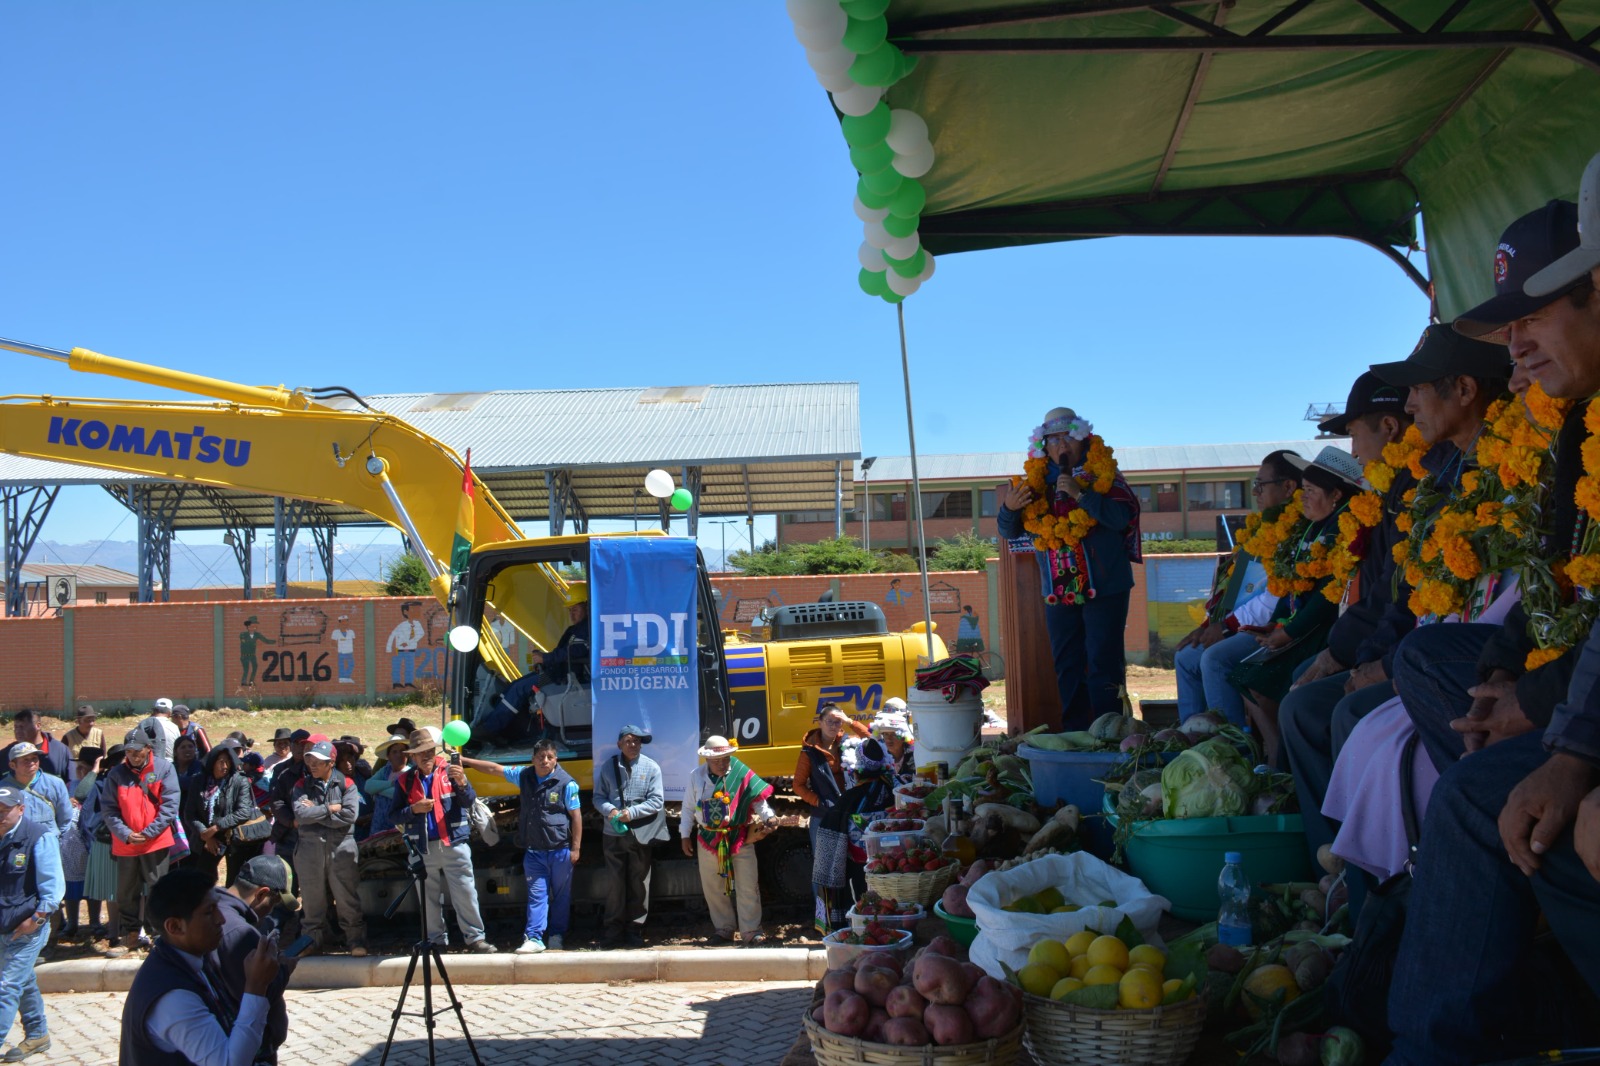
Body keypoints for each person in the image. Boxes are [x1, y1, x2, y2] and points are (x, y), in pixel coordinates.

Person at [1383, 196, 1600, 1062]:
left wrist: (1559, 739)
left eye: (1534, 313)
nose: (1513, 344)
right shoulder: (1574, 422)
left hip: (1582, 692)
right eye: (1506, 323)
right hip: (1568, 677)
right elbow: (1546, 575)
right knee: (1431, 669)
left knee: (1480, 799)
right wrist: (1512, 680)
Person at [1282, 330, 1508, 867]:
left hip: (1461, 660)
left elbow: (1407, 596)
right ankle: (1344, 871)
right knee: (1299, 698)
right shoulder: (1434, 477)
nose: (1409, 406)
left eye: (1419, 389)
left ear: (1466, 389)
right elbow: (1400, 588)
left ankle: (1372, 879)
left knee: (1338, 712)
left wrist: (1374, 661)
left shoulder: (1499, 469)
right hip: (1418, 648)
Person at [996, 407, 1143, 728]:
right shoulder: (1034, 486)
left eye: (1067, 437)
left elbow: (1120, 519)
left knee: (1103, 663)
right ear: (1043, 446)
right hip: (1058, 590)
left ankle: (1110, 731)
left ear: (1082, 440)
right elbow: (1009, 531)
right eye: (1053, 439)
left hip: (1105, 587)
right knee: (1067, 665)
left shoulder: (1104, 477)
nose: (1061, 445)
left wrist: (1081, 494)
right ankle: (1076, 734)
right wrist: (1009, 508)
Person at [1229, 446, 1366, 763]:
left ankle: (1283, 762)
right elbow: (1290, 585)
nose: (1302, 498)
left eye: (1310, 491)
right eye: (1302, 490)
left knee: (1260, 681)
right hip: (1295, 626)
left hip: (1319, 631)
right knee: (1245, 677)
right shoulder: (1312, 525)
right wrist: (1274, 625)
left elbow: (1326, 598)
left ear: (1335, 495)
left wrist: (1288, 633)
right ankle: (1279, 758)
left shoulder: (1343, 528)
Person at [1174, 451, 1301, 725]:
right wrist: (1211, 624)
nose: (1255, 492)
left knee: (1214, 659)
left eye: (1260, 485)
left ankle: (1230, 747)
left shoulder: (1295, 530)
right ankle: (1194, 738)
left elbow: (1273, 599)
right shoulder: (1263, 528)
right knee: (1186, 657)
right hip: (1244, 624)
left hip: (1275, 628)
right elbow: (1241, 588)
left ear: (1289, 487)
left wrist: (1227, 626)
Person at [119, 867, 280, 1066]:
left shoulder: (188, 958)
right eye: (209, 912)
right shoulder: (173, 997)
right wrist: (256, 987)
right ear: (175, 927)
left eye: (218, 908)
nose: (221, 919)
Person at [460, 741, 581, 954]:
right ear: (533, 759)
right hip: (534, 852)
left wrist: (576, 849)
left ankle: (556, 935)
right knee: (537, 895)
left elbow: (576, 816)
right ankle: (534, 937)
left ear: (556, 759)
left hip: (560, 851)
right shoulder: (523, 776)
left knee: (561, 896)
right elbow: (493, 769)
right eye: (540, 757)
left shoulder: (567, 784)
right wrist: (464, 760)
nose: (545, 761)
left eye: (549, 757)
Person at [389, 729, 494, 953]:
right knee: (428, 898)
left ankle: (475, 938)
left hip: (454, 843)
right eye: (420, 752)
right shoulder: (404, 781)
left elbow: (469, 802)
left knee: (465, 892)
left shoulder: (451, 772)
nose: (426, 755)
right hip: (422, 848)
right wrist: (414, 809)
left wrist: (463, 783)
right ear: (413, 757)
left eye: (429, 750)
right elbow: (394, 815)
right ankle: (435, 940)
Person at [680, 735, 776, 946]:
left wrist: (769, 817)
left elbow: (759, 801)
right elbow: (687, 808)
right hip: (708, 837)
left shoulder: (742, 773)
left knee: (748, 883)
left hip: (739, 836)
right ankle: (724, 929)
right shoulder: (696, 777)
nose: (722, 764)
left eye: (725, 759)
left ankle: (751, 930)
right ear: (707, 760)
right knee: (713, 885)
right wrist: (684, 835)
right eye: (717, 761)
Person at [207, 855, 298, 1065]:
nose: (272, 910)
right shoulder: (240, 933)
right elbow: (255, 994)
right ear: (262, 893)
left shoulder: (216, 911)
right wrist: (283, 969)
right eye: (274, 902)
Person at [103, 729, 180, 958]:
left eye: (138, 751)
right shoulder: (116, 774)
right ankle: (131, 935)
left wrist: (149, 832)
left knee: (159, 889)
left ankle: (160, 936)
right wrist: (125, 833)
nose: (134, 755)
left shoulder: (164, 769)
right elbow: (109, 809)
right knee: (126, 892)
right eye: (129, 751)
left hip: (155, 842)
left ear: (148, 748)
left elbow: (170, 805)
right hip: (125, 844)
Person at [0, 787, 62, 1062]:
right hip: (3, 925)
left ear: (21, 809)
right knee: (23, 980)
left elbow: (53, 888)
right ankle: (38, 1034)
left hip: (28, 927)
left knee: (6, 986)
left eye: (5, 809)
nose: (0, 814)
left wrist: (35, 920)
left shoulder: (39, 836)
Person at [592, 724, 666, 949]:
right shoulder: (608, 767)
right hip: (612, 834)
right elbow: (598, 797)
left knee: (639, 883)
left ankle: (635, 930)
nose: (633, 745)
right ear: (619, 744)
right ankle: (613, 932)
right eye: (629, 741)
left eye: (637, 741)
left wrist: (631, 813)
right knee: (615, 885)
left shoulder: (651, 767)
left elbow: (657, 801)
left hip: (640, 835)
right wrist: (610, 811)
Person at [289, 740, 365, 956]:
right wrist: (330, 808)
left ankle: (355, 940)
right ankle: (311, 942)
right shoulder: (301, 786)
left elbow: (350, 815)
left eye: (318, 762)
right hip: (309, 850)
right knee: (312, 902)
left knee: (347, 898)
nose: (313, 765)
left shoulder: (347, 784)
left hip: (341, 848)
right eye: (310, 760)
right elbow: (301, 815)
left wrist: (317, 813)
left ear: (331, 762)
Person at [813, 738, 897, 933]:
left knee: (863, 899)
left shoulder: (852, 797)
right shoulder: (892, 789)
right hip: (892, 861)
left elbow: (830, 823)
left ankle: (864, 931)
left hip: (860, 865)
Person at [187, 743, 264, 888]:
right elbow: (190, 813)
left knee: (234, 883)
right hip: (207, 837)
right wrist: (206, 834)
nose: (225, 765)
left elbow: (243, 812)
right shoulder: (199, 781)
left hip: (235, 836)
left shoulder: (239, 780)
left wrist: (217, 827)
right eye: (221, 761)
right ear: (212, 762)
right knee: (202, 880)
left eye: (228, 761)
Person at [80, 744, 124, 948]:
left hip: (134, 841)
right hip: (106, 842)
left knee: (136, 888)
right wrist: (95, 771)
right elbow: (81, 796)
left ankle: (131, 928)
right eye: (123, 760)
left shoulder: (137, 782)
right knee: (112, 890)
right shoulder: (100, 783)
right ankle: (114, 930)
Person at [59, 746, 101, 941]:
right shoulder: (69, 785)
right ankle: (72, 922)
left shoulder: (98, 784)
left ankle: (95, 922)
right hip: (70, 842)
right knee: (70, 884)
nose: (79, 770)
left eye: (83, 767)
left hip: (90, 839)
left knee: (92, 883)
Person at [0, 743, 71, 838]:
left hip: (49, 845)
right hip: (15, 847)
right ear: (12, 765)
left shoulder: (55, 784)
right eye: (25, 759)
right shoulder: (3, 788)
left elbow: (65, 821)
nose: (32, 762)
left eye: (34, 758)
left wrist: (60, 844)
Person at [526, 586, 590, 687]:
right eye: (570, 610)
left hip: (568, 681)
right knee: (517, 686)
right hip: (558, 675)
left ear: (587, 607)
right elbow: (561, 650)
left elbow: (575, 650)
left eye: (575, 610)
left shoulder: (589, 629)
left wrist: (546, 658)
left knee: (518, 689)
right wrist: (545, 661)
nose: (571, 615)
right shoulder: (572, 630)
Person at [362, 734, 409, 839]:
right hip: (379, 824)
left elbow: (399, 795)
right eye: (394, 752)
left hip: (399, 827)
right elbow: (368, 786)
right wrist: (391, 784)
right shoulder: (385, 771)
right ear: (388, 756)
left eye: (402, 751)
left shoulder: (410, 773)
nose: (399, 755)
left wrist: (378, 789)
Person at [0, 712, 70, 781]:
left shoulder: (60, 751)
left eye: (22, 727)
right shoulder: (5, 754)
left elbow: (72, 782)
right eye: (16, 727)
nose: (17, 731)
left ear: (38, 726)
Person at [59, 706, 105, 786]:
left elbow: (103, 756)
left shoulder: (99, 734)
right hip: (75, 779)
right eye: (87, 720)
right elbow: (62, 760)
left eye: (93, 720)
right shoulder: (68, 737)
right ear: (79, 721)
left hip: (94, 777)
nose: (91, 723)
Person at [386, 602, 424, 690]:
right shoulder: (402, 625)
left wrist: (408, 642)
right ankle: (396, 682)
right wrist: (388, 649)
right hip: (398, 650)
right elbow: (392, 635)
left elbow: (421, 634)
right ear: (406, 612)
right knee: (397, 667)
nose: (417, 611)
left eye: (418, 609)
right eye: (413, 609)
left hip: (410, 650)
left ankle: (408, 682)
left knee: (409, 667)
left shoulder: (417, 624)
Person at [238, 616, 275, 691]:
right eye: (252, 626)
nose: (253, 628)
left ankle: (251, 681)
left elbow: (266, 640)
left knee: (255, 667)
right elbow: (245, 642)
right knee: (246, 669)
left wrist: (275, 641)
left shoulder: (257, 635)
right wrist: (255, 643)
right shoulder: (243, 634)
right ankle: (244, 682)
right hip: (244, 656)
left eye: (255, 626)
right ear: (248, 627)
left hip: (252, 655)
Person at [329, 614, 357, 685]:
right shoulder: (336, 632)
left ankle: (346, 677)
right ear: (339, 622)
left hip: (350, 651)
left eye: (346, 621)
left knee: (351, 664)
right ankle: (342, 678)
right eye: (342, 622)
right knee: (341, 665)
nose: (344, 623)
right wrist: (340, 647)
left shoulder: (351, 632)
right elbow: (332, 642)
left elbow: (354, 641)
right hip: (341, 652)